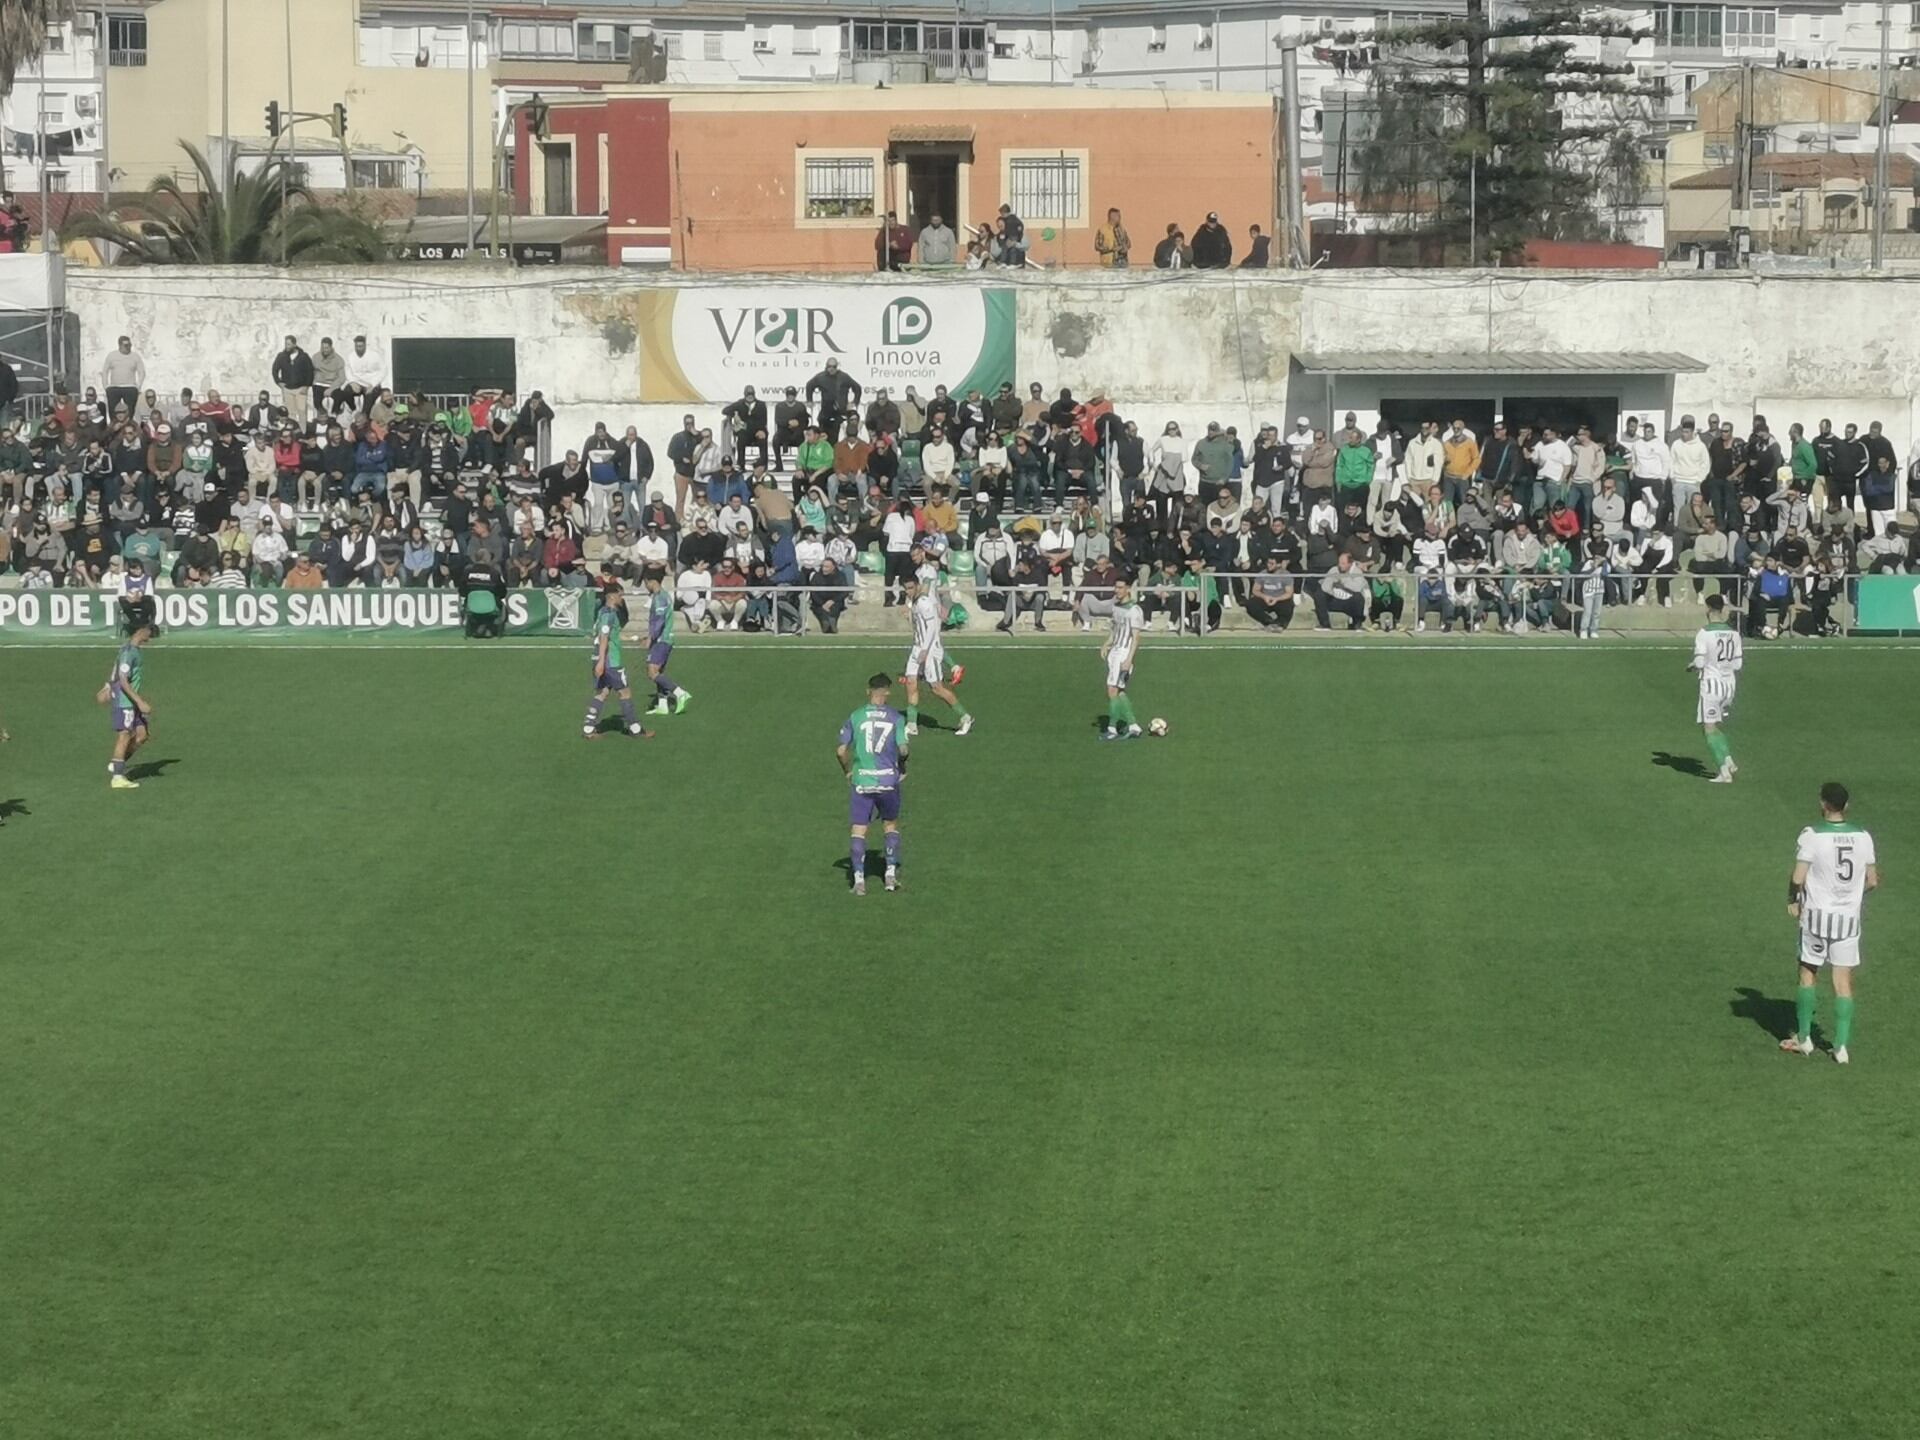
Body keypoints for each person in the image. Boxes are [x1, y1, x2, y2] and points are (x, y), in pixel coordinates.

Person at [1781, 781, 1878, 1064]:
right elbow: (1871, 880)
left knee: (1808, 971)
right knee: (1843, 980)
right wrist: (1850, 897)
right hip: (1848, 920)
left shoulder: (1812, 835)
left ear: (1823, 804)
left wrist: (1792, 899)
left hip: (1816, 917)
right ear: (1846, 806)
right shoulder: (1863, 836)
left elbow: (1798, 877)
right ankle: (1841, 1047)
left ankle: (1804, 1039)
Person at [837, 672, 909, 896]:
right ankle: (889, 876)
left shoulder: (856, 716)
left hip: (862, 781)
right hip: (888, 780)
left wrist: (848, 771)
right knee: (890, 825)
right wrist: (902, 768)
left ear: (868, 691)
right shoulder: (896, 717)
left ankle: (859, 881)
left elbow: (840, 751)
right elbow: (904, 749)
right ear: (887, 692)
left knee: (859, 830)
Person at [902, 575, 973, 738]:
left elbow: (933, 628)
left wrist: (925, 650)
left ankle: (965, 717)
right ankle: (912, 724)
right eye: (906, 588)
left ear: (917, 586)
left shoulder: (924, 604)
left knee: (937, 688)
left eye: (911, 588)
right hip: (917, 647)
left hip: (929, 651)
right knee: (910, 683)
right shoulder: (915, 601)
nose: (908, 591)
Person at [582, 580, 650, 741]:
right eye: (620, 595)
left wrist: (633, 639)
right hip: (610, 661)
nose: (622, 599)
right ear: (612, 596)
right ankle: (635, 728)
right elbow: (604, 637)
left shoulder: (602, 612)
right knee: (625, 692)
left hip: (600, 658)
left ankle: (588, 727)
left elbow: (611, 635)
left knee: (602, 693)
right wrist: (601, 662)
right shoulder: (609, 615)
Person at [97, 614, 156, 789]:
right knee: (124, 735)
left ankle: (117, 763)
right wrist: (139, 702)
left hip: (131, 700)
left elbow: (116, 671)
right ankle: (117, 777)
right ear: (140, 631)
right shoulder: (129, 652)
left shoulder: (132, 650)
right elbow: (122, 679)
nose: (150, 634)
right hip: (126, 701)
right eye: (148, 630)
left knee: (142, 735)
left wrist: (107, 684)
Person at [1689, 592, 1743, 784]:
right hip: (1729, 686)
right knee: (1715, 725)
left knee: (1709, 728)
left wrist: (1692, 666)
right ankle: (1729, 761)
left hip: (1712, 685)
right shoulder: (1734, 633)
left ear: (1709, 609)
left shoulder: (1704, 633)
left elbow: (1700, 661)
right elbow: (1737, 665)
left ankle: (1723, 772)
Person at [641, 567, 691, 717]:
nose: (645, 585)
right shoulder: (660, 596)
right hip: (663, 639)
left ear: (651, 581)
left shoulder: (661, 598)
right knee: (659, 672)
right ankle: (662, 705)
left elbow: (660, 621)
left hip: (662, 640)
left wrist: (651, 637)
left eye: (645, 582)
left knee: (652, 672)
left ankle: (680, 693)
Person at [1100, 578, 1146, 741]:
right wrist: (1107, 643)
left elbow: (1136, 638)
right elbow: (1115, 628)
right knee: (1118, 691)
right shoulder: (1116, 607)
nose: (1116, 590)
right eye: (1116, 587)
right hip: (1115, 651)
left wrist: (1128, 660)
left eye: (1120, 587)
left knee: (1112, 690)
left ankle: (1112, 729)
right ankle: (1133, 726)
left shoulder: (1134, 610)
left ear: (1127, 589)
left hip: (1123, 654)